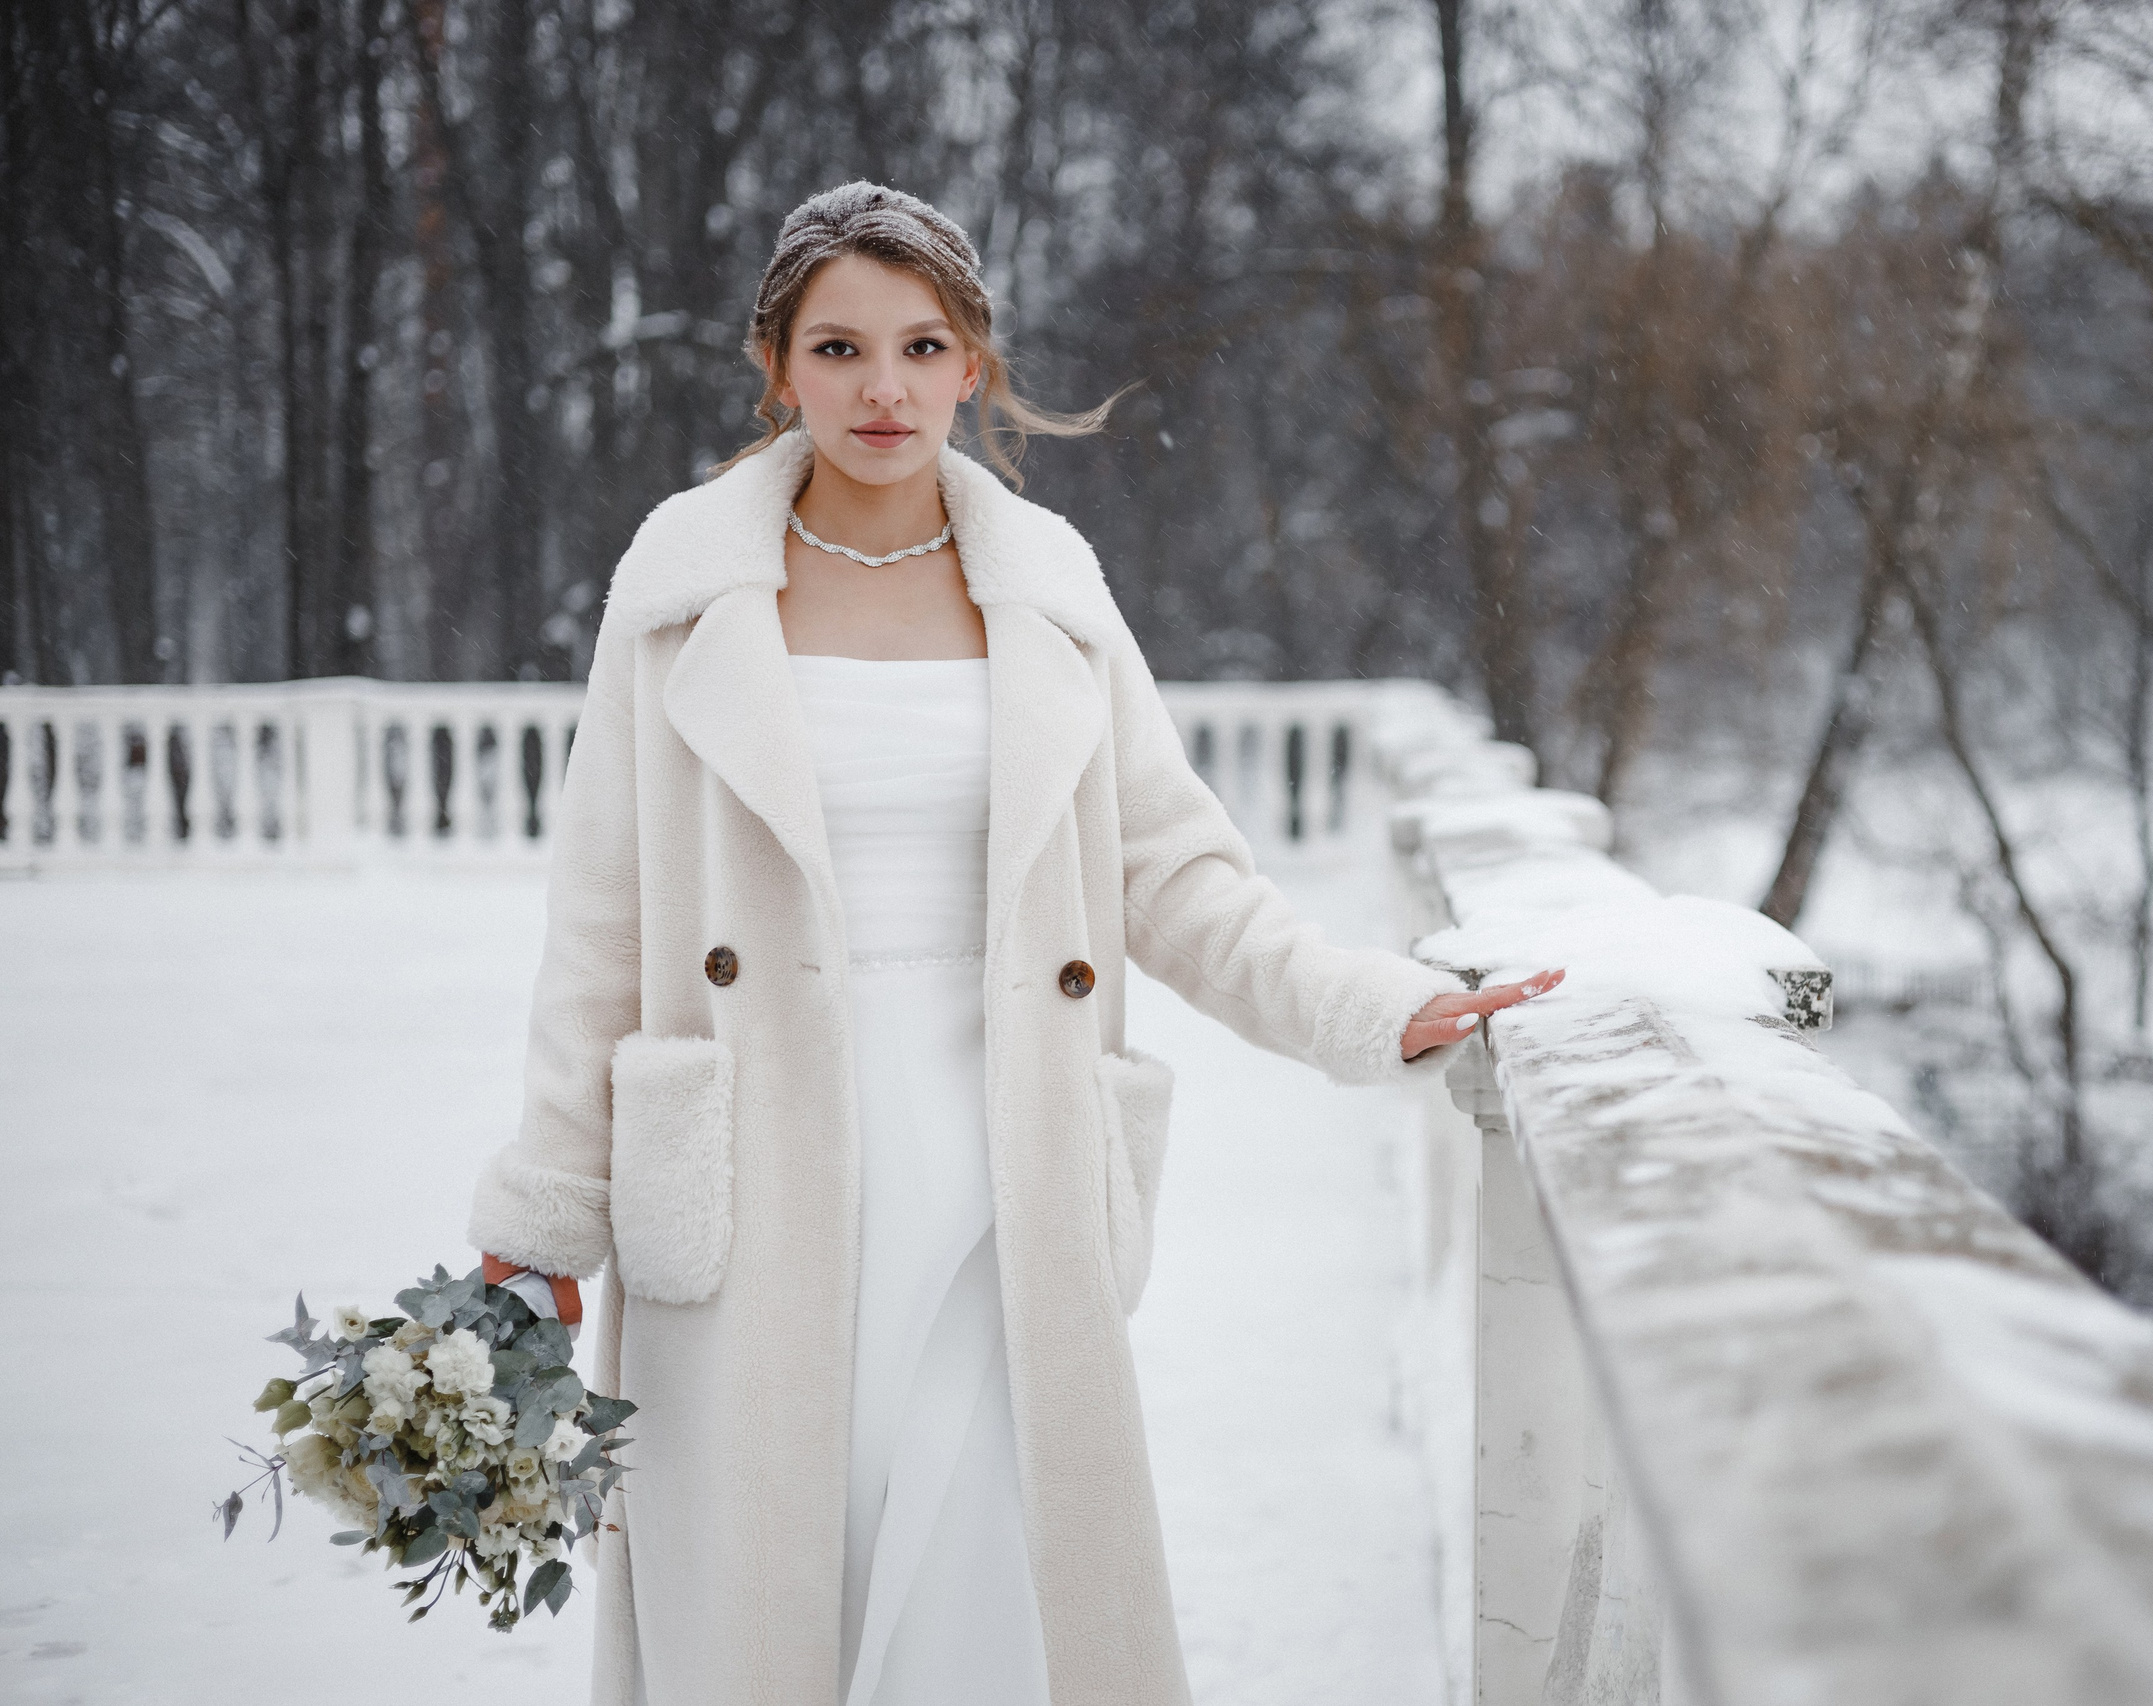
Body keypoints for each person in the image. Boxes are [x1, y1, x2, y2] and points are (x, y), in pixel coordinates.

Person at [466, 181, 1562, 1706]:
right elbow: (600, 919)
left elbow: (1174, 873)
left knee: (985, 1575)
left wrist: (1377, 1008)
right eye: (838, 349)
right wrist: (544, 1206)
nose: (883, 388)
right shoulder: (682, 591)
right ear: (774, 365)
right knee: (779, 1589)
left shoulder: (1048, 592)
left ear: (973, 364)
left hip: (1001, 1163)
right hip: (748, 1168)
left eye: (922, 347)